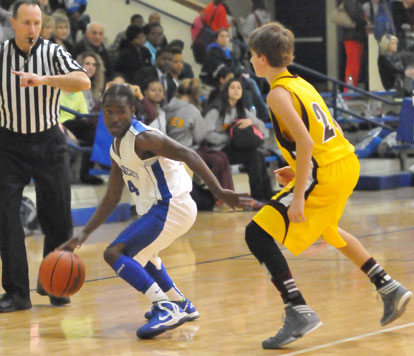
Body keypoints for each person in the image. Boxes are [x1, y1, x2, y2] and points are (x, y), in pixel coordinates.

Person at [245, 22, 413, 349]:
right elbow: (326, 133)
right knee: (329, 230)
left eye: (252, 55)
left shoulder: (278, 94)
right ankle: (389, 286)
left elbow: (306, 143)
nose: (250, 61)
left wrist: (298, 197)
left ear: (262, 59)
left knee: (257, 232)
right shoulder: (300, 83)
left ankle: (297, 309)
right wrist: (298, 173)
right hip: (343, 163)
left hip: (326, 171)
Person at [59, 83, 250, 338]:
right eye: (108, 111)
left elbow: (188, 154)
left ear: (133, 111)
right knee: (146, 257)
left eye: (121, 111)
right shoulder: (117, 146)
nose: (114, 118)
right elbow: (112, 196)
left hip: (171, 206)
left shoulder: (144, 137)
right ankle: (180, 303)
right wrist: (83, 235)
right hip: (161, 209)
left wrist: (219, 191)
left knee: (114, 253)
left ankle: (164, 306)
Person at [0, 0, 90, 313]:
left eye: (37, 23)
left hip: (49, 141)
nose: (32, 29)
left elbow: (83, 80)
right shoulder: (1, 54)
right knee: (6, 218)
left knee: (59, 217)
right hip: (9, 144)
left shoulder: (53, 53)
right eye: (26, 23)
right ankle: (16, 293)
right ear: (14, 23)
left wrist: (45, 80)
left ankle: (53, 283)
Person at [165, 78, 235, 208]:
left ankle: (222, 198)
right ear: (195, 94)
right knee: (219, 159)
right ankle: (224, 198)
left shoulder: (167, 108)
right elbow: (200, 136)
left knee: (218, 158)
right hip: (186, 151)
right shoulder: (192, 110)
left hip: (169, 150)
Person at [204, 77, 272, 207]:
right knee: (253, 156)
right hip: (220, 149)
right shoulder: (216, 110)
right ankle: (257, 197)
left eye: (239, 88)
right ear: (226, 90)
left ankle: (267, 196)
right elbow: (206, 134)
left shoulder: (242, 111)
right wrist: (229, 138)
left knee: (258, 155)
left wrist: (251, 121)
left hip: (237, 147)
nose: (236, 90)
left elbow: (262, 126)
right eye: (233, 87)